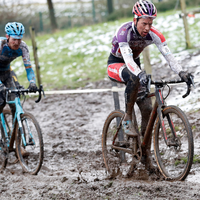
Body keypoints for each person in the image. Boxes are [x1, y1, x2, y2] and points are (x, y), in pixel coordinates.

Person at [107, 0, 192, 171]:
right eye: (144, 23)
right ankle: (128, 120)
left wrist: (181, 72)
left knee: (146, 108)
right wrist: (139, 74)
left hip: (134, 65)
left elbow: (168, 56)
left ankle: (144, 155)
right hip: (116, 64)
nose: (147, 27)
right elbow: (128, 60)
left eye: (150, 23)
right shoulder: (124, 31)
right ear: (135, 19)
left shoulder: (154, 34)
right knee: (134, 76)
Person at [0, 22, 37, 117]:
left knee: (15, 102)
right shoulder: (1, 45)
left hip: (7, 73)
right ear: (7, 36)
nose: (17, 43)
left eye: (19, 39)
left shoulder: (23, 47)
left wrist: (32, 82)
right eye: (14, 39)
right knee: (1, 102)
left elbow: (29, 68)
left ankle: (16, 129)